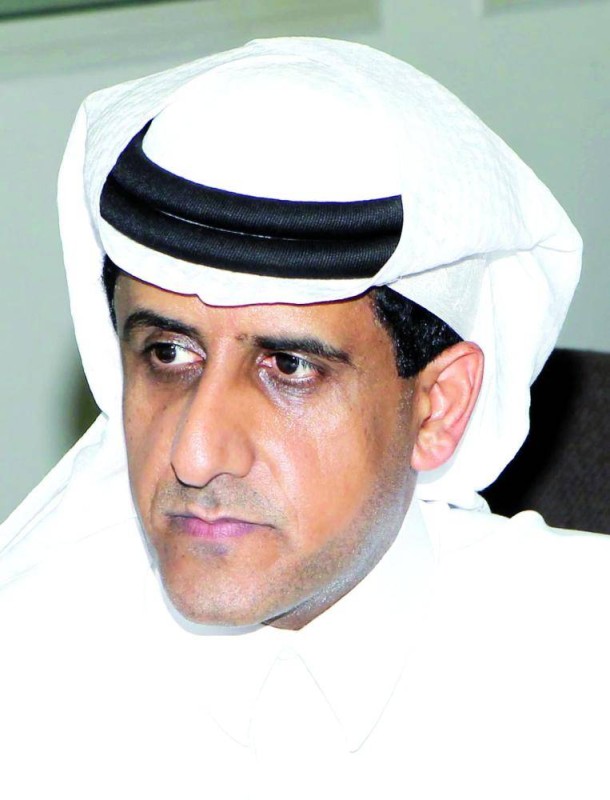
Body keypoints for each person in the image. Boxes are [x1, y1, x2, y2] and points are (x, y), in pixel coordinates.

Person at [1, 37, 609, 799]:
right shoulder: (24, 680)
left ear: (438, 406)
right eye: (168, 354)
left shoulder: (586, 672)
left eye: (289, 367)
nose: (194, 454)